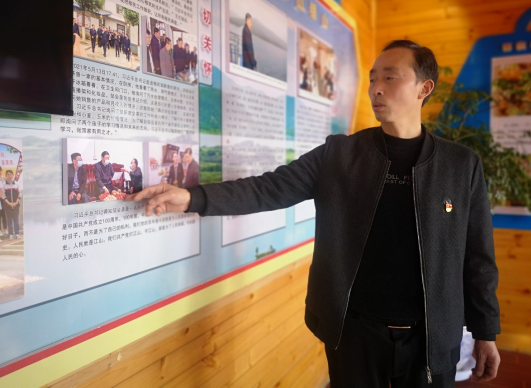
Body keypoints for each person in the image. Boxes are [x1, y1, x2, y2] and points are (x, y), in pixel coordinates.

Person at [128, 39, 502, 388]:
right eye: (373, 78)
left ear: (424, 88)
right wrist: (192, 198)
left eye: (390, 77)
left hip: (432, 336)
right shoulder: (339, 154)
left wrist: (486, 331)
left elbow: (478, 255)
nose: (376, 88)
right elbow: (267, 188)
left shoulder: (460, 164)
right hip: (353, 332)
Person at [3, 170, 20, 240]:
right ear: (6, 176)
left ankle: (17, 234)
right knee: (9, 220)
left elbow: (19, 194)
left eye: (10, 174)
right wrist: (9, 203)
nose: (9, 176)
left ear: (13, 175)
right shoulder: (4, 185)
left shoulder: (16, 184)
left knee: (16, 220)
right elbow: (3, 196)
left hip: (16, 205)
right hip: (8, 206)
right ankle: (11, 235)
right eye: (8, 174)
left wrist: (16, 202)